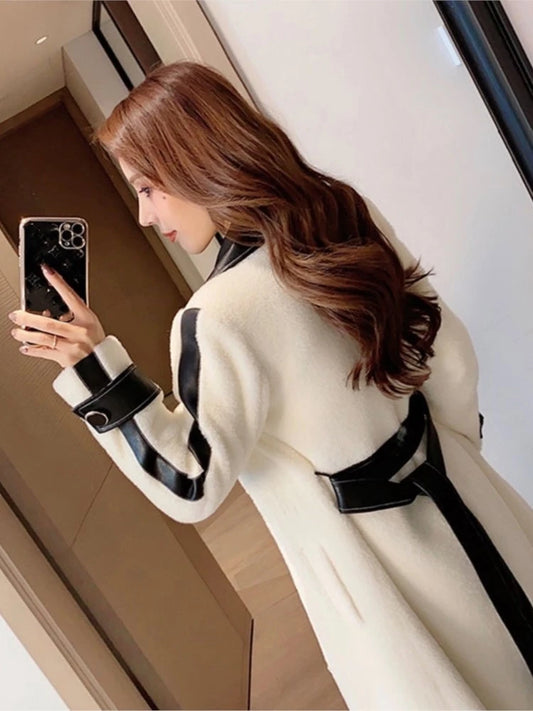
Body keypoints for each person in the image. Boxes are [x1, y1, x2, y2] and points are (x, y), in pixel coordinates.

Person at [8, 60, 533, 710]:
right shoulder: (341, 214)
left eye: (148, 188)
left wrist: (94, 369)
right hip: (468, 497)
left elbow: (191, 482)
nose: (144, 215)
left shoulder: (215, 317)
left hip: (381, 568)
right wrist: (458, 459)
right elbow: (447, 353)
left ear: (192, 161)